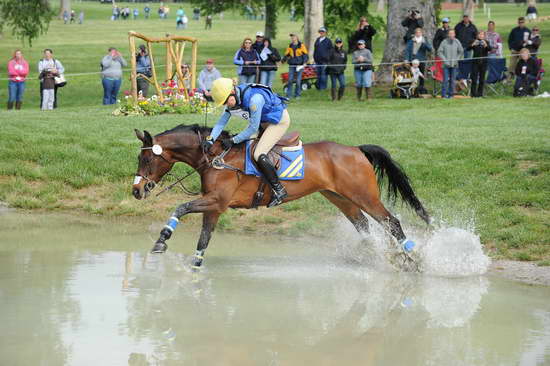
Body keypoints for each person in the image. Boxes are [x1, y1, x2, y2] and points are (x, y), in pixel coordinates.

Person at [204, 78, 290, 207]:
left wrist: (233, 140)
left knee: (258, 154)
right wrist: (211, 139)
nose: (227, 105)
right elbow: (221, 122)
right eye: (223, 103)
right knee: (245, 148)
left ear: (232, 91)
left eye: (226, 101)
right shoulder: (232, 98)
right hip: (262, 121)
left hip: (278, 121)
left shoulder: (254, 99)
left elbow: (253, 128)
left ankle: (279, 190)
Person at [438, 29, 463, 99]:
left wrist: (457, 59)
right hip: (446, 65)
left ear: (454, 34)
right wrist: (445, 60)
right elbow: (439, 52)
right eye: (450, 33)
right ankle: (444, 95)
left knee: (452, 80)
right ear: (448, 35)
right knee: (445, 80)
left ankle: (451, 94)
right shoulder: (444, 42)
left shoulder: (457, 41)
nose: (451, 35)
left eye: (453, 33)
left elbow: (461, 51)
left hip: (454, 65)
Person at [405, 28, 432, 93]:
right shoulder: (411, 41)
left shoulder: (424, 40)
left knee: (421, 74)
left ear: (421, 33)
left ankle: (421, 88)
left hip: (421, 60)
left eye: (419, 32)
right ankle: (412, 88)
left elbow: (430, 49)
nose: (418, 34)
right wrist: (406, 59)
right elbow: (407, 50)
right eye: (417, 33)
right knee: (412, 75)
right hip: (413, 60)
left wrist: (424, 43)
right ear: (415, 34)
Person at [282, 33, 308, 99]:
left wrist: (305, 62)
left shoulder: (301, 45)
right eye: (291, 37)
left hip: (300, 65)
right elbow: (286, 55)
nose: (292, 38)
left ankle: (297, 95)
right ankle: (288, 95)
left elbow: (305, 55)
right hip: (292, 65)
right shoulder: (290, 46)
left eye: (293, 37)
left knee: (298, 81)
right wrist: (281, 62)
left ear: (297, 37)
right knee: (290, 80)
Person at [468, 31, 492, 97]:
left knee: (482, 79)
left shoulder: (486, 42)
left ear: (484, 36)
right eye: (480, 34)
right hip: (475, 62)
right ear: (477, 35)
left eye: (482, 34)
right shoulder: (474, 41)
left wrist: (486, 45)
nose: (481, 35)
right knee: (474, 79)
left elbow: (490, 49)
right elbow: (468, 49)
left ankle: (480, 93)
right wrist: (472, 44)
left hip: (483, 63)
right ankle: (473, 94)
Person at [454, 14, 478, 82]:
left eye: (467, 17)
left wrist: (472, 43)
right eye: (464, 17)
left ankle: (466, 77)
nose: (466, 19)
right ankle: (459, 76)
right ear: (463, 18)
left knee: (467, 62)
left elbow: (476, 36)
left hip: (469, 48)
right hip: (460, 47)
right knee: (459, 62)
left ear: (469, 18)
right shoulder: (458, 26)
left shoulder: (473, 27)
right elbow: (454, 35)